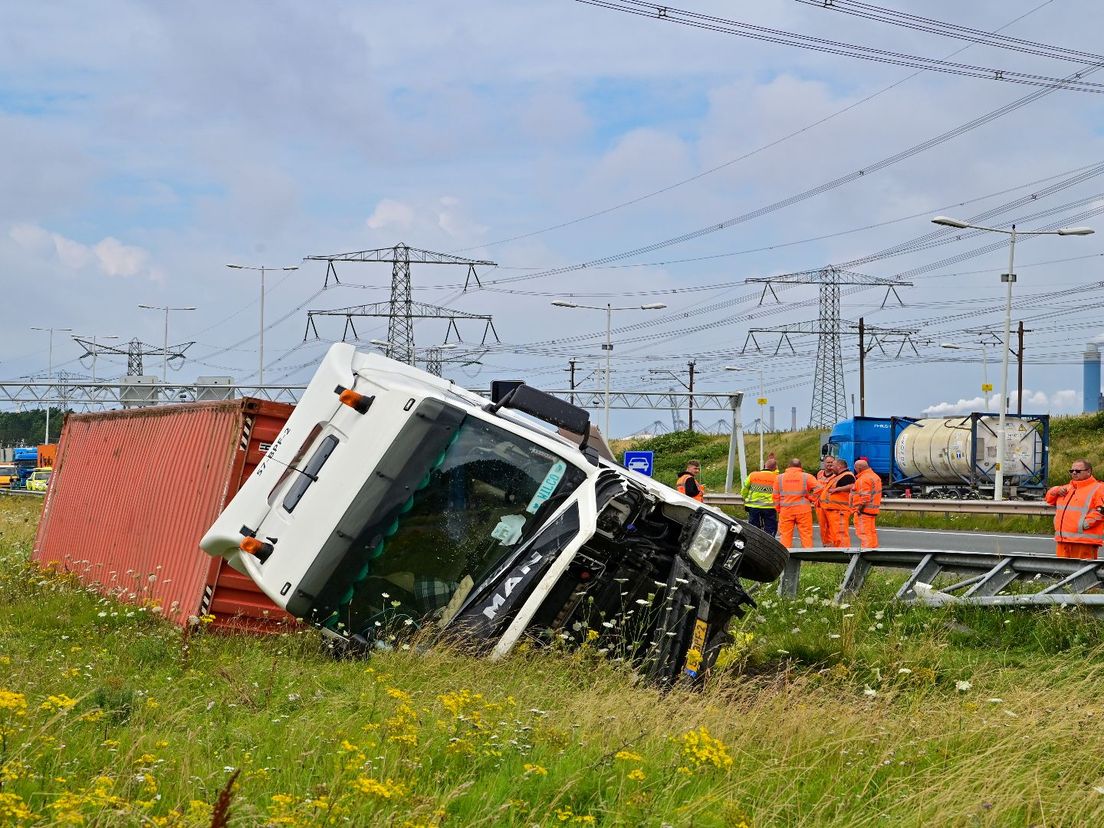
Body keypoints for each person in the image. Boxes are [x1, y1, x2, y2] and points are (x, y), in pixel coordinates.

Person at [1044, 459, 1104, 560]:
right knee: (1062, 573)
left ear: (1088, 471)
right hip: (1063, 541)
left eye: (1078, 471)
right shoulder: (1067, 488)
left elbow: (1101, 511)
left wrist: (1083, 524)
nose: (1074, 473)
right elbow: (1049, 499)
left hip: (1084, 542)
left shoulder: (1099, 488)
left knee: (1082, 574)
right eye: (1072, 471)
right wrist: (1056, 490)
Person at [773, 458, 817, 549]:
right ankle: (808, 555)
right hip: (803, 511)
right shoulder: (807, 477)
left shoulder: (779, 478)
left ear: (788, 466)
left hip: (786, 511)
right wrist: (811, 498)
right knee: (806, 534)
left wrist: (778, 509)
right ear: (800, 467)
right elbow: (820, 488)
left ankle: (786, 557)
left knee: (785, 535)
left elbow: (775, 496)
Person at [822, 458, 857, 548]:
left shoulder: (847, 475)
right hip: (833, 510)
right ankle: (836, 552)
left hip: (839, 510)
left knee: (840, 534)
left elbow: (853, 485)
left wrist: (837, 489)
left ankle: (844, 554)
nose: (831, 468)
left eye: (833, 465)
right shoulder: (838, 476)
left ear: (839, 466)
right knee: (835, 534)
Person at [742, 454, 779, 536]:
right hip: (769, 507)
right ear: (775, 468)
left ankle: (754, 543)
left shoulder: (753, 475)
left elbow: (744, 489)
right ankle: (770, 543)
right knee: (770, 528)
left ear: (764, 465)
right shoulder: (776, 478)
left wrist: (745, 498)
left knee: (753, 528)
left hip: (753, 505)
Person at [851, 459, 883, 549]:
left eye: (855, 468)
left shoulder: (863, 479)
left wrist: (858, 510)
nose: (855, 470)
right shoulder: (875, 476)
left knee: (864, 534)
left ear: (859, 468)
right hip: (872, 511)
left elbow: (864, 498)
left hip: (864, 512)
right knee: (871, 534)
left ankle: (866, 554)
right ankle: (874, 553)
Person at [814, 456, 834, 546]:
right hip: (819, 505)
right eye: (828, 462)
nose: (829, 464)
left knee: (832, 526)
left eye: (831, 462)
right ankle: (825, 544)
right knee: (823, 527)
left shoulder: (836, 475)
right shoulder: (820, 473)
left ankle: (832, 544)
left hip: (831, 505)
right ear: (824, 463)